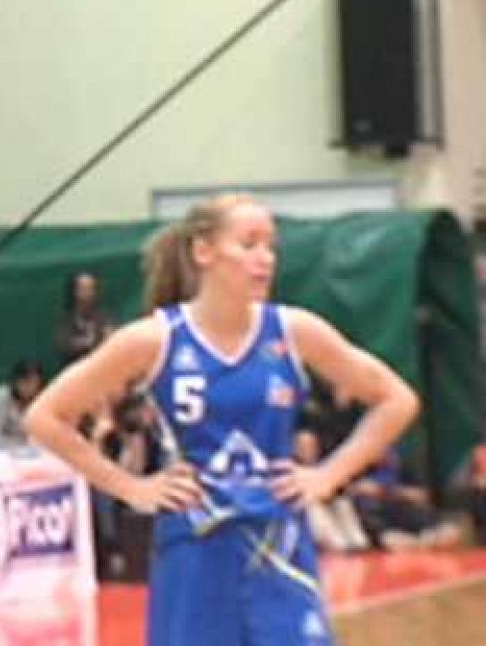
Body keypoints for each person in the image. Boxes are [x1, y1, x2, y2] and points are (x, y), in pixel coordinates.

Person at [23, 194, 418, 646]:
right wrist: (132, 487)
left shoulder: (292, 330)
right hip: (194, 548)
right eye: (249, 244)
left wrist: (329, 476)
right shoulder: (154, 339)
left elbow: (396, 399)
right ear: (203, 252)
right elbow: (46, 417)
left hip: (278, 546)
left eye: (271, 246)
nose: (264, 259)